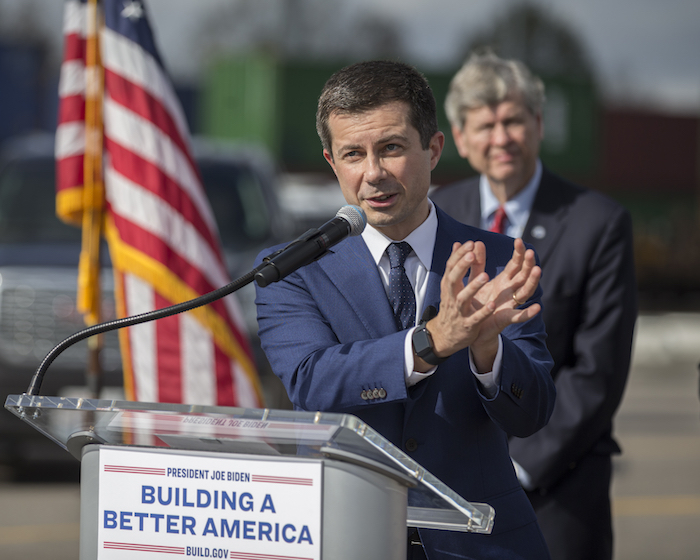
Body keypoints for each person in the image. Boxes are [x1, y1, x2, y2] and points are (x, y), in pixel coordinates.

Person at [255, 60, 556, 560]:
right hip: (344, 538)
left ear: (433, 148)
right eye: (354, 154)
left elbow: (534, 411)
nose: (373, 173)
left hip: (484, 544)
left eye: (391, 148)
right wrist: (433, 340)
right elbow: (312, 381)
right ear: (332, 162)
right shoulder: (293, 269)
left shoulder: (501, 259)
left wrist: (488, 348)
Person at [431, 51, 638, 559]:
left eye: (513, 121)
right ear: (459, 138)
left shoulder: (599, 222)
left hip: (556, 491)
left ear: (539, 124)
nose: (500, 138)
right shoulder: (435, 214)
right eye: (484, 125)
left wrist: (515, 468)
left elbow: (597, 372)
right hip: (449, 491)